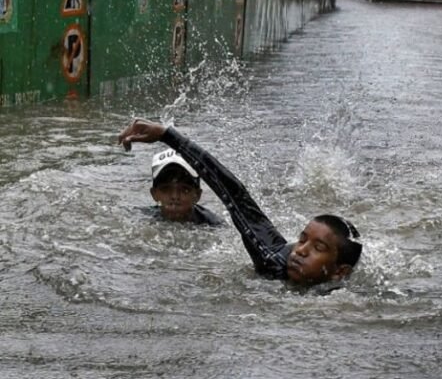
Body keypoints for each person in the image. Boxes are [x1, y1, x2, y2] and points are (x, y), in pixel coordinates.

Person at [118, 118, 362, 287]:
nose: (300, 251)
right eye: (302, 239)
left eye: (317, 249)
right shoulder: (273, 259)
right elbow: (235, 195)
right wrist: (167, 135)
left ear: (339, 273)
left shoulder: (345, 298)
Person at [149, 148, 223, 225]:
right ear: (154, 194)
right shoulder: (142, 218)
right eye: (166, 189)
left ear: (197, 195)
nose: (175, 196)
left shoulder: (213, 225)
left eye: (185, 189)